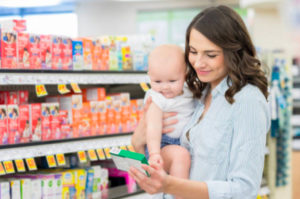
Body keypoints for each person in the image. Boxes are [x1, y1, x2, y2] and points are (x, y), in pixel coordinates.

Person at [130, 5, 270, 199]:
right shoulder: (198, 93)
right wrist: (138, 143)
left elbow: (244, 189)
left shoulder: (247, 101)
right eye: (193, 52)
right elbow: (162, 167)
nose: (198, 63)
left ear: (234, 52)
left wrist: (172, 185)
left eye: (210, 55)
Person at [144, 44, 195, 199]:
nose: (165, 87)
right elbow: (153, 126)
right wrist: (154, 153)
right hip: (161, 146)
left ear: (185, 75)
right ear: (149, 76)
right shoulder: (156, 98)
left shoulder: (189, 91)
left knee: (183, 156)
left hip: (182, 142)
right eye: (157, 81)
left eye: (172, 81)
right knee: (181, 156)